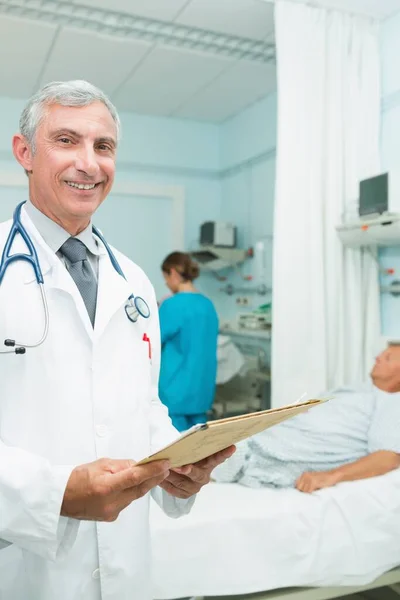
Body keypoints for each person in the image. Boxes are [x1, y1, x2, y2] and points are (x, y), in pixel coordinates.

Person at [0, 80, 234, 600]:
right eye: (66, 140)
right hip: (21, 564)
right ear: (25, 153)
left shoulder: (135, 282)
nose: (89, 163)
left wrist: (176, 466)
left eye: (103, 147)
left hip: (127, 566)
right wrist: (55, 494)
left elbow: (142, 404)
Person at [213, 345, 400, 493]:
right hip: (271, 435)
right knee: (204, 445)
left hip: (282, 452)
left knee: (209, 456)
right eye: (381, 354)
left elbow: (388, 457)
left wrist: (331, 476)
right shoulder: (356, 390)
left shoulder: (392, 403)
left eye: (388, 357)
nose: (377, 358)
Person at [158, 251, 219, 431]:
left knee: (174, 451)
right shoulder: (207, 305)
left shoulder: (172, 305)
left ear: (174, 273)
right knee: (197, 450)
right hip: (201, 392)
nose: (166, 284)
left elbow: (151, 341)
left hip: (174, 391)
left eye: (166, 278)